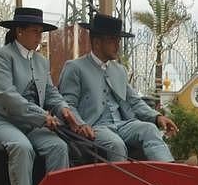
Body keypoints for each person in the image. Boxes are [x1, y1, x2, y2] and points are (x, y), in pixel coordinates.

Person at [0, 7, 93, 185]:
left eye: (40, 32)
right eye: (35, 31)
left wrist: (65, 111)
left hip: (35, 124)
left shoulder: (41, 62)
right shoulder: (1, 57)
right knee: (22, 147)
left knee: (58, 146)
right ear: (19, 32)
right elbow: (7, 96)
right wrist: (42, 116)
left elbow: (51, 93)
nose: (39, 37)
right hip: (4, 122)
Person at [57, 13, 179, 162]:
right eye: (112, 40)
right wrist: (81, 124)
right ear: (96, 42)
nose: (117, 45)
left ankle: (168, 175)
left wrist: (157, 117)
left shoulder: (119, 70)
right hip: (95, 126)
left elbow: (134, 101)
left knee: (149, 129)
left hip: (123, 124)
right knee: (116, 144)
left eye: (118, 40)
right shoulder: (75, 68)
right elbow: (68, 105)